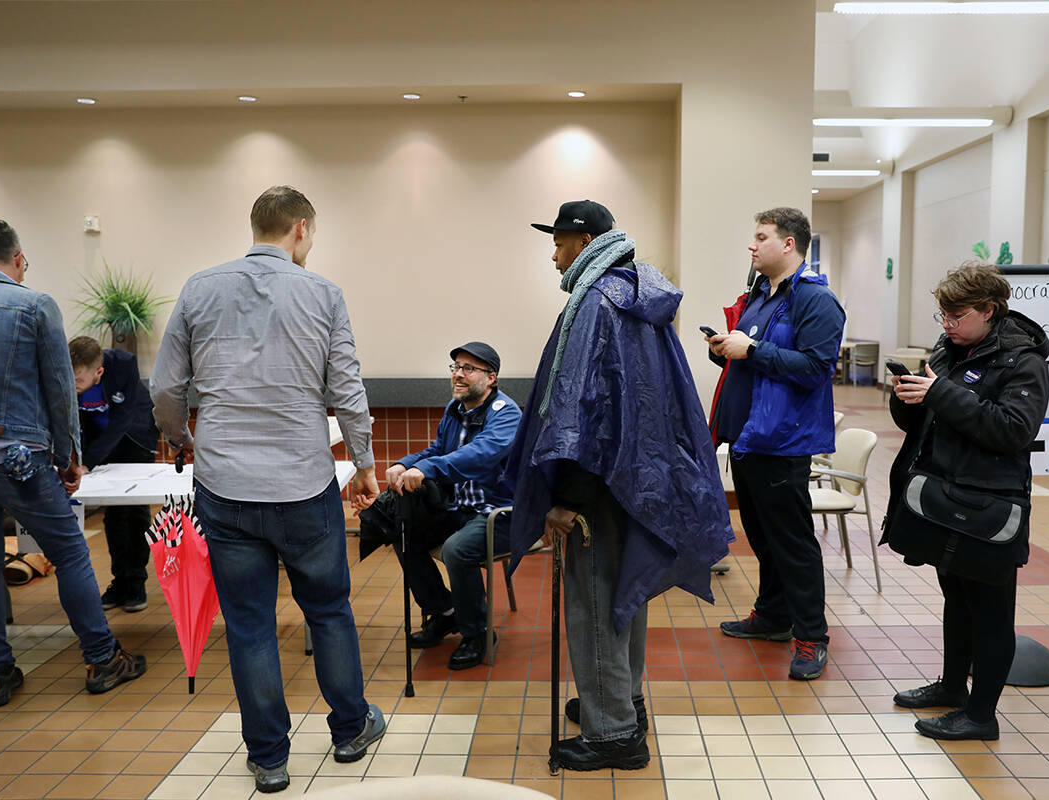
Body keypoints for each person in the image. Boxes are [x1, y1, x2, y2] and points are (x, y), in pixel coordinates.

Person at [150, 186, 384, 794]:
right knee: (329, 611)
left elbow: (166, 386)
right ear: (300, 229)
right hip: (304, 483)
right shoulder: (323, 294)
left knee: (249, 624)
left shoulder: (200, 287)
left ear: (257, 226)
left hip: (224, 486)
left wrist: (180, 438)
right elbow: (347, 388)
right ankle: (351, 729)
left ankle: (269, 759)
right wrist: (363, 462)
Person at [506, 200, 733, 771]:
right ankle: (622, 703)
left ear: (582, 241)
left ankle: (613, 736)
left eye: (557, 243)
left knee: (595, 600)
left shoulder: (597, 304)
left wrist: (565, 499)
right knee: (622, 594)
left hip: (602, 484)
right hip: (639, 477)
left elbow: (588, 411)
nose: (553, 256)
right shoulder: (635, 296)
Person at [0, 220, 146, 707]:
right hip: (16, 459)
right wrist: (70, 458)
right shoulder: (33, 305)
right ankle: (101, 658)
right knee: (70, 554)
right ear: (19, 260)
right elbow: (59, 387)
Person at [883, 263, 1049, 741]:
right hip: (946, 495)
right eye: (943, 315)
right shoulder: (951, 348)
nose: (948, 324)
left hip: (990, 505)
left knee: (992, 610)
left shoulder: (1024, 360)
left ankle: (981, 716)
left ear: (989, 310)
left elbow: (1012, 430)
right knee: (956, 598)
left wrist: (940, 392)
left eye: (957, 315)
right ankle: (954, 686)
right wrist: (908, 398)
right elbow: (927, 421)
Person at [708, 207, 844, 681]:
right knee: (763, 538)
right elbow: (753, 359)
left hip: (783, 441)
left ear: (789, 244)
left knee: (793, 543)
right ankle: (772, 616)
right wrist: (726, 349)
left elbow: (816, 367)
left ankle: (811, 636)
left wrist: (754, 350)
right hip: (749, 438)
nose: (753, 245)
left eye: (761, 237)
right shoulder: (759, 297)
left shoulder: (814, 300)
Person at [360, 341, 520, 670]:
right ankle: (446, 612)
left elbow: (482, 454)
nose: (458, 375)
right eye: (455, 368)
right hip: (461, 508)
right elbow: (437, 449)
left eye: (468, 369)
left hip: (499, 514)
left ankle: (478, 633)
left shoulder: (506, 414)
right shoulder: (455, 409)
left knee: (457, 550)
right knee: (402, 533)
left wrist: (428, 469)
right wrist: (405, 463)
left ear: (491, 378)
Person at [68, 335, 160, 612]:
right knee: (114, 514)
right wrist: (76, 458)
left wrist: (88, 462)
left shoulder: (124, 365)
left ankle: (136, 582)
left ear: (99, 372)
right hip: (97, 442)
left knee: (134, 511)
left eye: (79, 382)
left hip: (133, 439)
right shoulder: (66, 369)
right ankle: (120, 580)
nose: (74, 386)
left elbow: (124, 419)